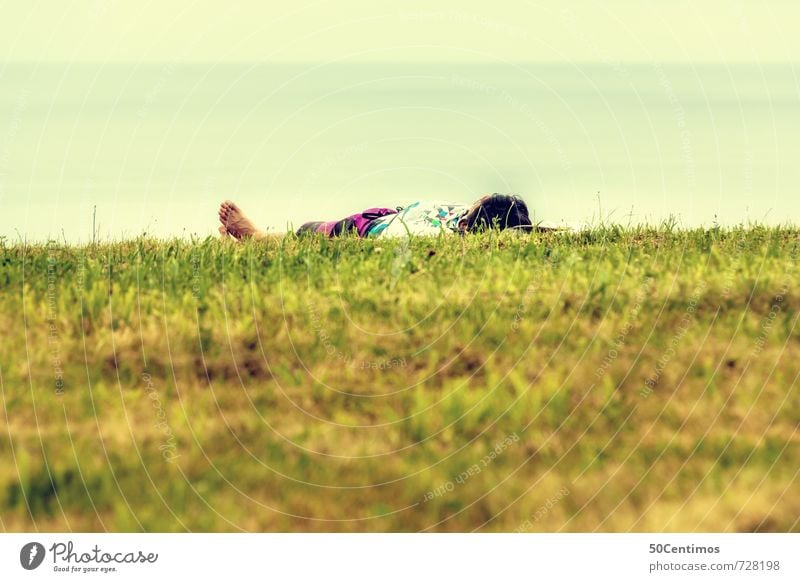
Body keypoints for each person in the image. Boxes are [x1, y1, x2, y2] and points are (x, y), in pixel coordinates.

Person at [218, 194, 534, 241]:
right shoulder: (467, 219)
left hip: (367, 226)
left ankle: (255, 236)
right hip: (387, 213)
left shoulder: (445, 235)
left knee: (307, 231)